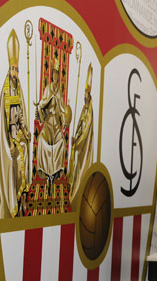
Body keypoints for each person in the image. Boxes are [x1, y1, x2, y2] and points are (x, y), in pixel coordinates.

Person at [0, 28, 31, 218]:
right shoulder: (6, 91)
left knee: (26, 147)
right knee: (14, 157)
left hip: (18, 133)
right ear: (9, 70)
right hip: (8, 136)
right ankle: (12, 201)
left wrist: (25, 129)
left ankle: (23, 196)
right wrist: (9, 142)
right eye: (13, 69)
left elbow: (22, 115)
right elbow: (4, 122)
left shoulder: (19, 89)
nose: (15, 72)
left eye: (17, 69)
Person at [35, 58, 71, 183]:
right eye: (54, 73)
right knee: (41, 140)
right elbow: (42, 104)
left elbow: (62, 109)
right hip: (48, 123)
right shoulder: (48, 89)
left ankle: (55, 172)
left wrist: (66, 119)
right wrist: (39, 110)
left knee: (61, 142)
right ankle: (45, 170)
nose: (55, 76)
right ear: (52, 75)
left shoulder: (60, 91)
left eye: (57, 74)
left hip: (56, 124)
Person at [68, 63, 95, 201]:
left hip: (83, 148)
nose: (85, 97)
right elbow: (80, 127)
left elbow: (85, 132)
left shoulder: (89, 112)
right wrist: (75, 138)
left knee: (80, 172)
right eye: (84, 95)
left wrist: (77, 142)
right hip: (78, 145)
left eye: (86, 95)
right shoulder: (84, 109)